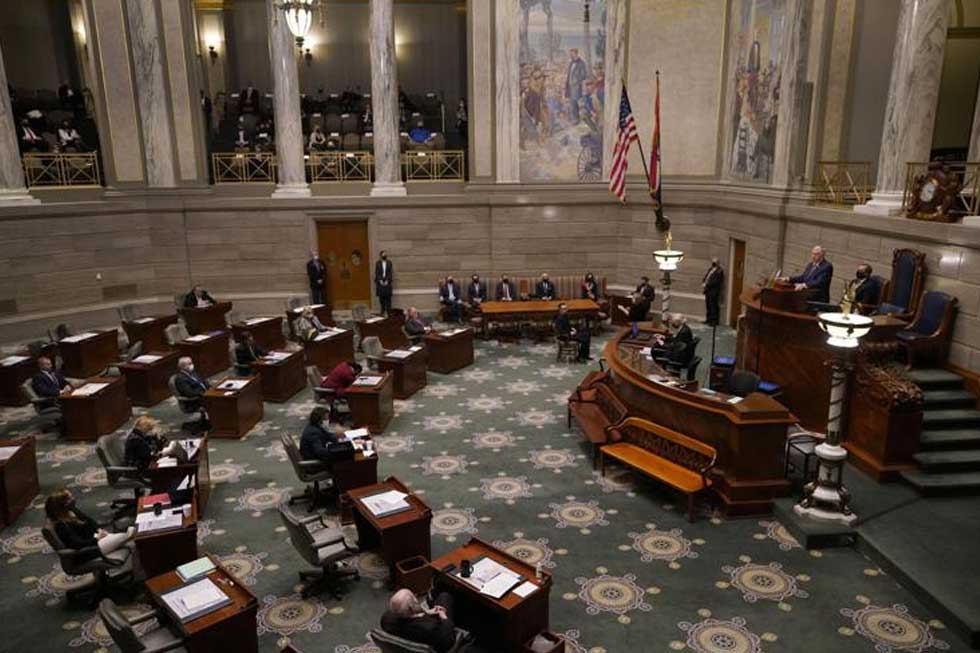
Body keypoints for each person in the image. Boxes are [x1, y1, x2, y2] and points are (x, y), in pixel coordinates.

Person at [45, 489, 133, 561]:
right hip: (88, 551)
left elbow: (90, 521)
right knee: (132, 533)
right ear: (64, 505)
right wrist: (97, 538)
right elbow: (77, 544)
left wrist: (98, 530)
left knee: (132, 543)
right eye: (70, 498)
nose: (73, 498)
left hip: (96, 541)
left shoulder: (72, 511)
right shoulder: (61, 525)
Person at [381, 588, 459, 653]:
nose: (416, 597)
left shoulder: (386, 619)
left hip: (414, 635)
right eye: (413, 596)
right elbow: (447, 643)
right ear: (411, 608)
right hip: (436, 643)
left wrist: (427, 612)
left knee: (442, 597)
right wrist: (444, 618)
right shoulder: (431, 627)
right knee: (445, 596)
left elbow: (414, 613)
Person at [564, 48, 588, 124]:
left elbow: (584, 75)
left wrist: (576, 80)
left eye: (572, 54)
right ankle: (575, 118)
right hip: (570, 86)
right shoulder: (571, 63)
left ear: (576, 53)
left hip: (577, 86)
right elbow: (569, 74)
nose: (571, 55)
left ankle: (578, 119)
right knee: (572, 102)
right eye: (570, 54)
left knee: (576, 102)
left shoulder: (582, 63)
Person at [702, 258, 724, 326]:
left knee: (713, 306)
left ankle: (714, 321)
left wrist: (707, 284)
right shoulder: (710, 269)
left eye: (714, 262)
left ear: (718, 263)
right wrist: (704, 281)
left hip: (713, 291)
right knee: (708, 305)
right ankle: (708, 319)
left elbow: (716, 282)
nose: (713, 263)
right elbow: (707, 276)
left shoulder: (719, 271)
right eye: (712, 262)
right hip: (708, 290)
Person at [375, 251, 393, 316]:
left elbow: (390, 273)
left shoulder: (389, 263)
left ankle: (389, 312)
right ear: (380, 256)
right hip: (380, 283)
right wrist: (380, 281)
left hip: (388, 283)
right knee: (381, 299)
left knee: (388, 299)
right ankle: (382, 311)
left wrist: (387, 281)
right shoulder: (377, 263)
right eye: (383, 254)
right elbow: (377, 273)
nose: (384, 255)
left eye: (385, 254)